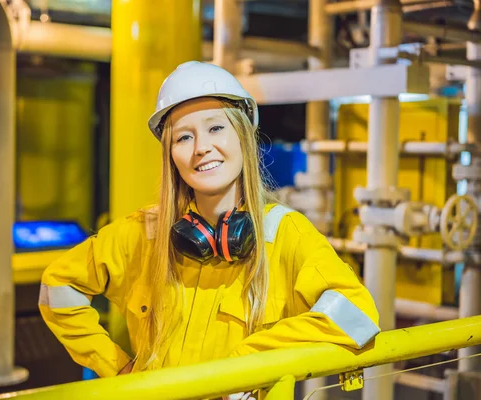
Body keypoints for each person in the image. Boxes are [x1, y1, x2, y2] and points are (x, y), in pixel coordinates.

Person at [38, 61, 380, 389]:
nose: (201, 148)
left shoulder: (284, 234)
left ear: (242, 136)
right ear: (170, 154)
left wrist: (247, 362)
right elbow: (59, 287)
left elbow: (357, 315)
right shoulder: (146, 232)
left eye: (216, 128)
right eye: (183, 138)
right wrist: (117, 368)